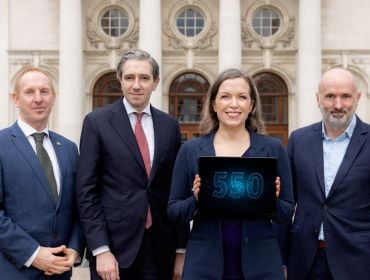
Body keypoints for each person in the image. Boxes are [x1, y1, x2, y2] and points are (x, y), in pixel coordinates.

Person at [167, 68, 294, 279]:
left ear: (252, 105)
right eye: (225, 96)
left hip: (261, 266)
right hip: (204, 266)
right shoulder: (190, 150)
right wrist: (196, 200)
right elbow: (174, 212)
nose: (233, 104)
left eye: (242, 97)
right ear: (214, 104)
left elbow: (286, 213)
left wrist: (272, 199)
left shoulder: (273, 149)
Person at [76, 49, 188, 280]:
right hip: (114, 251)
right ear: (120, 80)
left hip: (160, 249)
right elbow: (86, 191)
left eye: (144, 78)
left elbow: (177, 190)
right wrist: (100, 249)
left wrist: (180, 249)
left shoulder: (170, 126)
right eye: (129, 77)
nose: (136, 85)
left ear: (156, 83)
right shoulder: (96, 122)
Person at [280, 67, 370, 280]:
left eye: (345, 96)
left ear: (357, 98)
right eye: (330, 96)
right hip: (305, 262)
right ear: (318, 99)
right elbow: (285, 205)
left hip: (358, 263)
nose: (338, 105)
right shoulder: (298, 140)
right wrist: (281, 259)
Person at [0, 67, 84, 279]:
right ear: (16, 98)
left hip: (61, 272)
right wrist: (33, 254)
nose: (38, 99)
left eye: (44, 91)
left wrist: (74, 249)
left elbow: (79, 207)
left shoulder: (68, 148)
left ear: (53, 97)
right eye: (30, 92)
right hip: (14, 270)